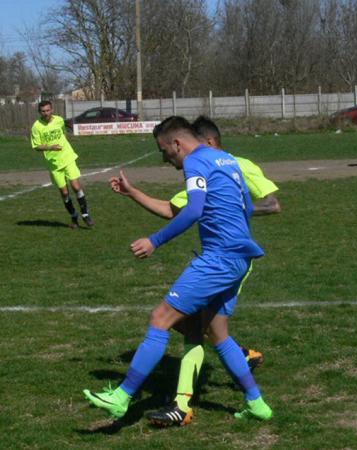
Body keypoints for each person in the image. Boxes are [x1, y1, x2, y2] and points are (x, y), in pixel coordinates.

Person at [83, 116, 272, 423]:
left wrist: (154, 241)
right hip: (240, 257)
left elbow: (194, 209)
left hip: (218, 259)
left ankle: (122, 396)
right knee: (217, 333)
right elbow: (247, 208)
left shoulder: (195, 162)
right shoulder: (226, 159)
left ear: (177, 143)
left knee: (160, 318)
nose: (164, 158)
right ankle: (256, 403)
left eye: (164, 151)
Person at [30, 100, 94, 228]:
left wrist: (63, 146)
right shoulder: (36, 127)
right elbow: (36, 146)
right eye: (43, 111)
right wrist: (50, 147)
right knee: (64, 193)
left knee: (76, 187)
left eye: (48, 110)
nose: (46, 113)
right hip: (53, 164)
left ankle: (85, 214)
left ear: (52, 110)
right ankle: (74, 216)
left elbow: (63, 133)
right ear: (39, 112)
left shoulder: (59, 120)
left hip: (67, 157)